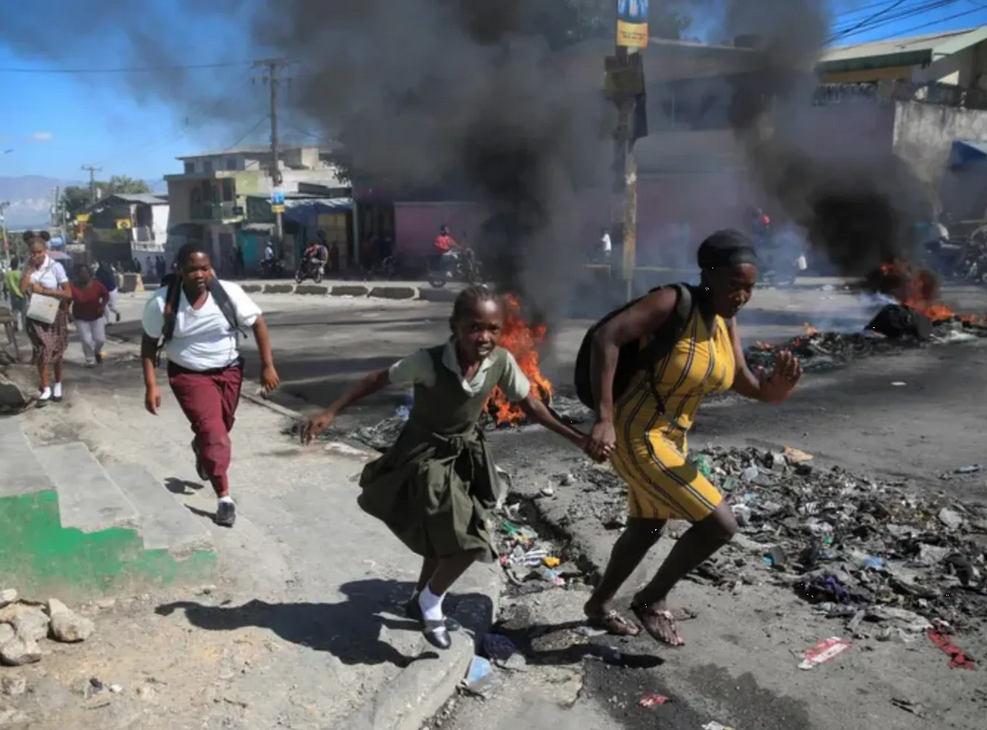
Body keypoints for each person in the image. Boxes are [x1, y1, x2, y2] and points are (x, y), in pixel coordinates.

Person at [301, 285, 589, 649]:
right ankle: (431, 602)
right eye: (474, 327)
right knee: (470, 543)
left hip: (465, 455)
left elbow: (531, 406)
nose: (484, 337)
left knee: (443, 540)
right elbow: (376, 379)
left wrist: (577, 438)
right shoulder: (429, 361)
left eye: (493, 329)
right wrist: (331, 411)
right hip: (424, 455)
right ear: (455, 326)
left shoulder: (500, 361)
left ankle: (418, 599)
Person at [582, 230, 803, 646]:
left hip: (672, 437)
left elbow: (741, 379)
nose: (741, 295)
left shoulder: (724, 322)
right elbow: (606, 337)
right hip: (636, 431)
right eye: (734, 284)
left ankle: (598, 604)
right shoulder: (672, 302)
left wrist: (773, 391)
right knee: (720, 524)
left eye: (750, 288)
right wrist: (604, 417)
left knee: (648, 524)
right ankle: (651, 599)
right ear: (708, 274)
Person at [140, 243, 281, 528]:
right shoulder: (162, 302)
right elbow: (148, 344)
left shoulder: (228, 293)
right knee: (215, 434)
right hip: (189, 376)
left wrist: (267, 365)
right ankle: (224, 499)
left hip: (229, 372)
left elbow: (258, 323)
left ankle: (201, 448)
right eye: (193, 269)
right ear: (179, 270)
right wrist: (151, 384)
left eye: (205, 268)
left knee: (221, 426)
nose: (200, 274)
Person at [20, 234, 72, 406]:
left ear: (45, 250)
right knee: (43, 350)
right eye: (32, 253)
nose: (35, 256)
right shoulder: (28, 267)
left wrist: (43, 291)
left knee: (56, 351)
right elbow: (21, 290)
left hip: (54, 313)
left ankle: (57, 384)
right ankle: (45, 387)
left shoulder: (56, 267)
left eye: (38, 252)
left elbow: (67, 293)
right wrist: (28, 271)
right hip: (36, 315)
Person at [69, 264, 111, 367]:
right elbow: (66, 301)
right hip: (80, 317)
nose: (84, 275)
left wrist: (102, 306)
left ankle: (97, 352)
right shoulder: (72, 286)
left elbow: (106, 295)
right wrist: (68, 314)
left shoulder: (97, 285)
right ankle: (90, 359)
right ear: (77, 274)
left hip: (96, 315)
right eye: (81, 273)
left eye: (86, 272)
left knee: (100, 339)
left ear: (90, 273)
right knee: (86, 340)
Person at [3, 257, 26, 331]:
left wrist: (5, 294)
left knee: (14, 311)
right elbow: (24, 283)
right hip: (21, 294)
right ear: (17, 265)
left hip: (12, 295)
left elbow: (5, 285)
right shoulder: (20, 273)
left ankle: (15, 325)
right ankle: (24, 326)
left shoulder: (8, 274)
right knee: (23, 311)